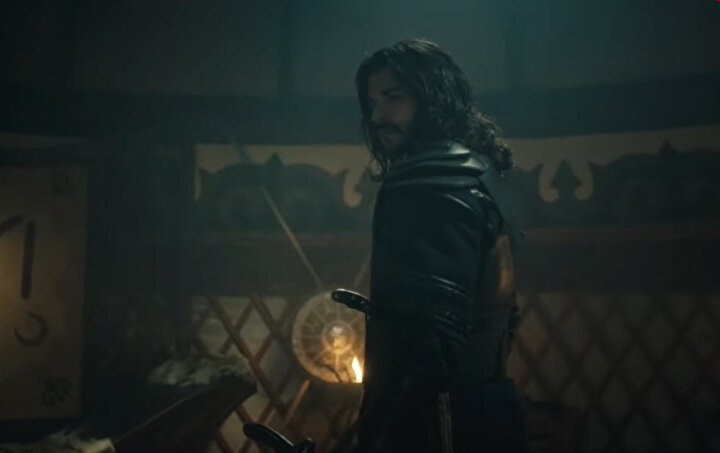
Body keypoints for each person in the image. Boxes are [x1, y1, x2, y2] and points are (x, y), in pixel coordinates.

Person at [352, 39, 529, 452]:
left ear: (433, 99)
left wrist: (378, 435)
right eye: (372, 102)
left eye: (393, 97)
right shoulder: (475, 173)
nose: (377, 116)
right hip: (485, 409)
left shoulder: (432, 184)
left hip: (443, 421)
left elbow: (430, 339)